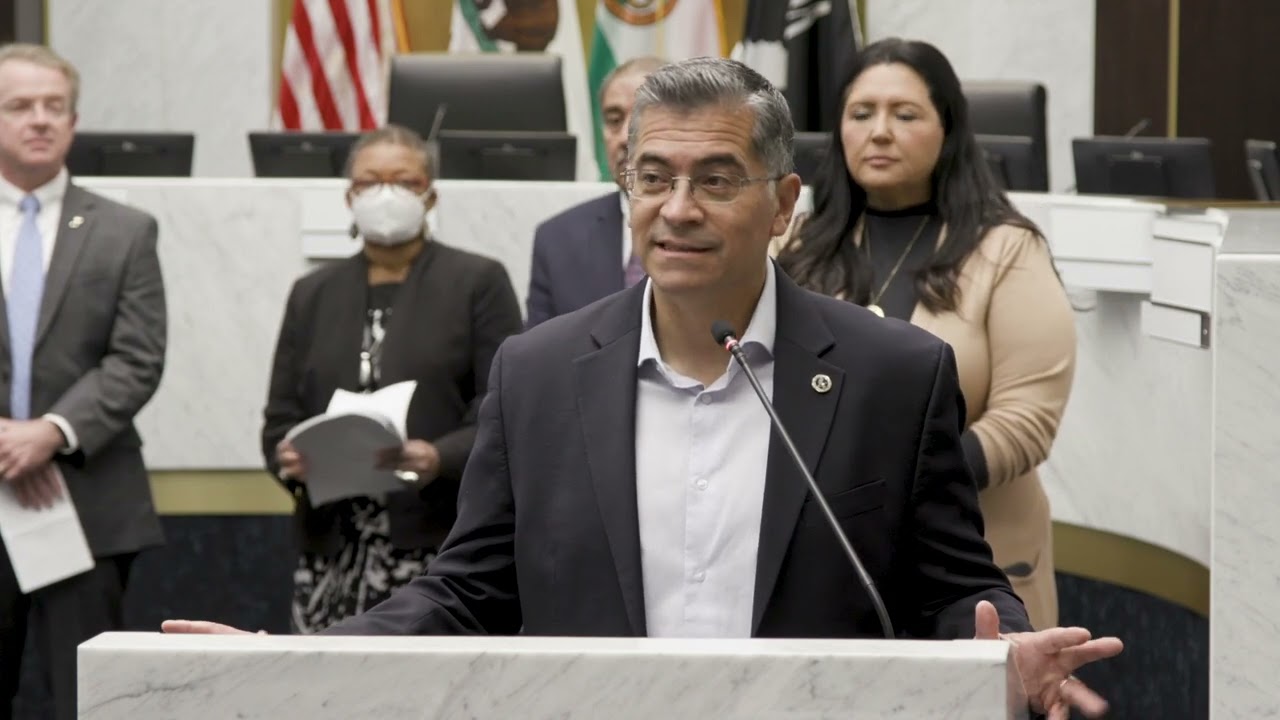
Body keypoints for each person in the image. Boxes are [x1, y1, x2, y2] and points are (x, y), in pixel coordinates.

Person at [166, 58, 1120, 719]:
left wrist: (1003, 647)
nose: (678, 209)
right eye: (651, 176)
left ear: (785, 204)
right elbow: (466, 592)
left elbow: (953, 589)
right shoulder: (538, 373)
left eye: (717, 178)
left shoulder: (893, 376)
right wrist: (293, 654)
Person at [774, 38, 1075, 630]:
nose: (879, 131)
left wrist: (898, 481)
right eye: (861, 114)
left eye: (905, 114)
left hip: (974, 565)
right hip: (827, 562)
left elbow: (1027, 420)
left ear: (948, 130)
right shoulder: (796, 246)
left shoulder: (1006, 248)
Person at [261, 124, 522, 633]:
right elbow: (278, 421)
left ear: (430, 195)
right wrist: (289, 458)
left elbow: (503, 409)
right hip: (330, 550)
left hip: (439, 547)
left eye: (403, 181)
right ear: (348, 197)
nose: (386, 194)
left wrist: (437, 457)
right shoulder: (312, 293)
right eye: (369, 182)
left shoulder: (478, 282)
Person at [0, 44, 167, 720]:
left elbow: (138, 357)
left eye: (54, 107)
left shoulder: (124, 232)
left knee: (87, 703)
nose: (39, 120)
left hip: (87, 503)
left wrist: (51, 432)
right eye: (19, 106)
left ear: (73, 122)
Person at [524, 56, 665, 328]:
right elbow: (538, 359)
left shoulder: (713, 226)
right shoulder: (557, 240)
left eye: (641, 117)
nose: (625, 136)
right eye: (614, 119)